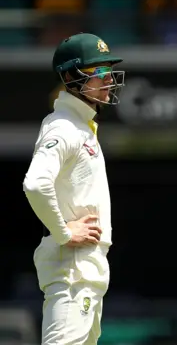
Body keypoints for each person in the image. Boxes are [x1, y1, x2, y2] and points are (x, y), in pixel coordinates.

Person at [23, 33, 125, 344]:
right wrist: (64, 233)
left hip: (84, 271)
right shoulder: (64, 127)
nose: (108, 80)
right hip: (73, 269)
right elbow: (35, 184)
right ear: (70, 77)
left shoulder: (80, 126)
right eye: (99, 73)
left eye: (109, 71)